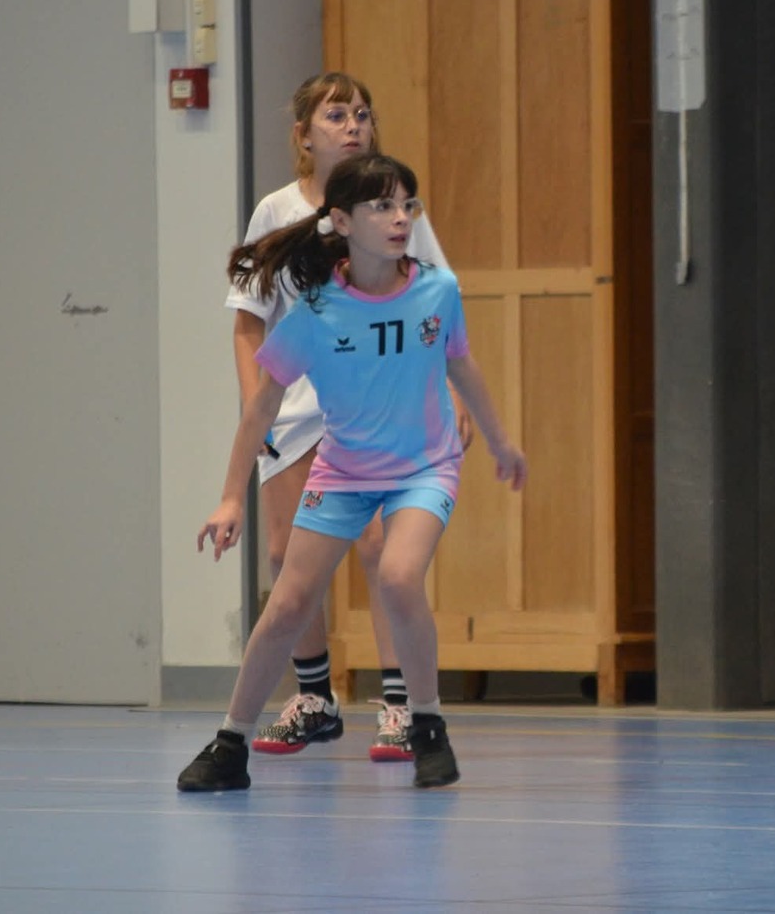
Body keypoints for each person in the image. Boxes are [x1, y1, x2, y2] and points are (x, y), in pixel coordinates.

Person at [178, 153, 526, 791]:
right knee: (288, 602)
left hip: (424, 467)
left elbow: (461, 364)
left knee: (397, 575)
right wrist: (230, 498)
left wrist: (501, 443)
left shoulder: (437, 291)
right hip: (342, 472)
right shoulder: (316, 314)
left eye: (407, 205)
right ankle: (230, 743)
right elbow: (261, 408)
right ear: (340, 221)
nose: (400, 219)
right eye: (382, 206)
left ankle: (427, 725)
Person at [227, 72, 463, 762]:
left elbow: (432, 305)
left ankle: (398, 703)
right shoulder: (276, 210)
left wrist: (450, 396)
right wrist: (253, 405)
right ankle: (314, 696)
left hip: (375, 405)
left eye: (362, 113)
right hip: (295, 402)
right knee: (285, 556)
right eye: (335, 115)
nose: (353, 124)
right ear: (304, 135)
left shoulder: (393, 207)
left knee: (382, 550)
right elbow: (247, 320)